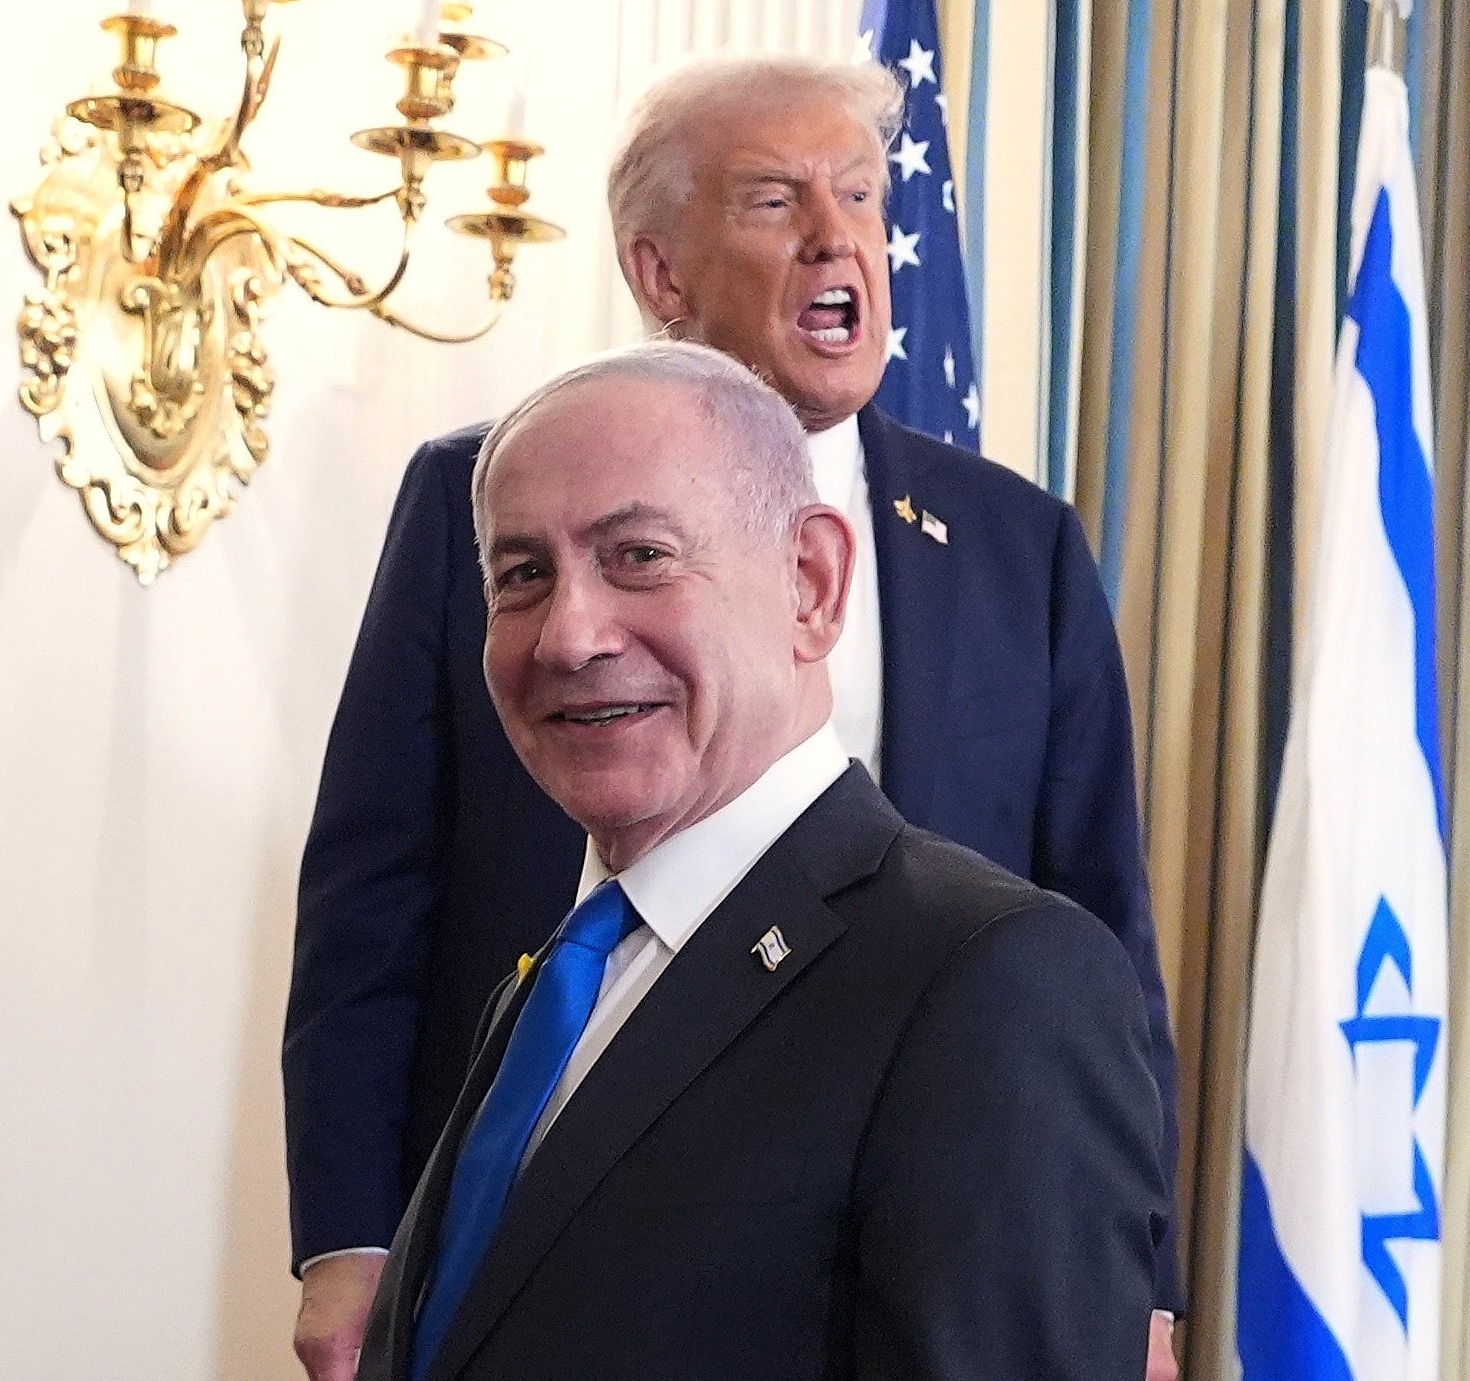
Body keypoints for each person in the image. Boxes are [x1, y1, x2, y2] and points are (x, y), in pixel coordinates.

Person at [284, 54, 1183, 1380]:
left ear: (811, 583)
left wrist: (1135, 1288)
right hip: (537, 1197)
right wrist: (352, 1235)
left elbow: (1096, 917)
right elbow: (373, 893)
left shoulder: (1016, 544)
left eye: (862, 196)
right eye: (774, 200)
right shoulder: (486, 492)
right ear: (658, 272)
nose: (837, 238)